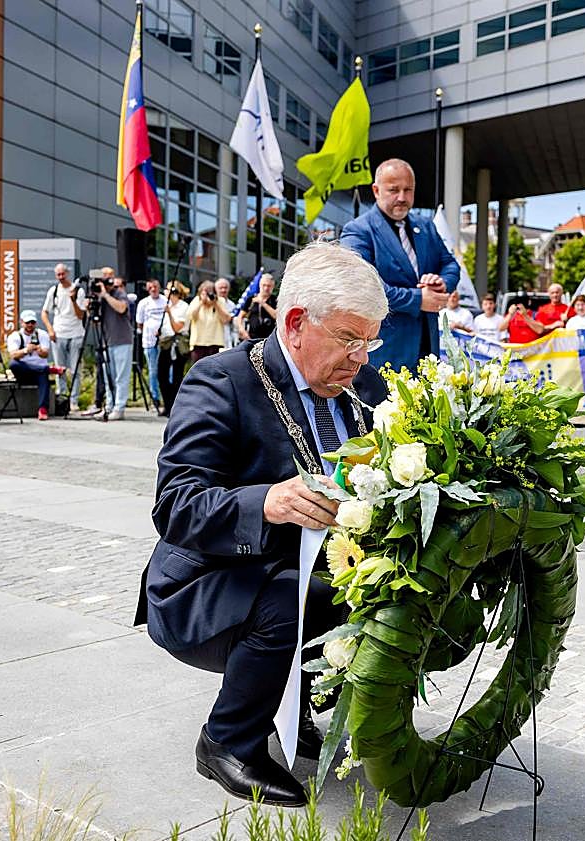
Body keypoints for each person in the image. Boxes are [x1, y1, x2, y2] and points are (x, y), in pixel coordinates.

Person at [137, 243, 388, 807]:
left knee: (382, 591)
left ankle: (294, 703)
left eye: (369, 342)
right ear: (296, 323)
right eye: (350, 340)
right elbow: (176, 505)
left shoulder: (363, 389)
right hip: (206, 583)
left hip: (315, 569)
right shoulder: (222, 380)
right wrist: (267, 503)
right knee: (283, 596)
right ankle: (228, 741)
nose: (362, 359)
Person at [339, 158, 459, 372]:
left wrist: (440, 283)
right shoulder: (358, 230)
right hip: (383, 352)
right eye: (394, 190)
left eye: (408, 190)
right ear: (376, 190)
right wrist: (419, 299)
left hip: (428, 350)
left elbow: (450, 264)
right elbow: (362, 286)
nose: (402, 197)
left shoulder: (426, 227)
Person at [41, 263, 88, 413]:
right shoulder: (53, 291)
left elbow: (80, 315)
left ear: (67, 274)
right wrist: (50, 330)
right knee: (59, 369)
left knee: (75, 370)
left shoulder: (78, 291)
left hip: (76, 333)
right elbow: (44, 312)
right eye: (58, 275)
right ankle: (61, 398)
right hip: (59, 333)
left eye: (63, 274)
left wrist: (73, 300)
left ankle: (73, 400)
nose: (61, 277)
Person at [97, 276, 132, 421]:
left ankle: (119, 408)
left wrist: (105, 295)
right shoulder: (99, 296)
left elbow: (122, 308)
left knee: (120, 377)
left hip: (122, 340)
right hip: (107, 341)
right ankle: (109, 406)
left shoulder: (119, 293)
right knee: (108, 377)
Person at [7, 309, 52, 421]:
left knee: (43, 375)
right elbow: (13, 355)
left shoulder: (42, 334)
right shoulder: (15, 336)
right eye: (27, 323)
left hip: (39, 373)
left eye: (32, 322)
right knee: (14, 364)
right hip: (24, 371)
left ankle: (42, 409)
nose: (30, 325)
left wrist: (37, 349)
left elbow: (45, 354)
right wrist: (26, 350)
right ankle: (49, 369)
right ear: (22, 323)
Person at [156, 283, 190, 416]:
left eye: (168, 289)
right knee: (161, 374)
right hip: (166, 342)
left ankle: (175, 406)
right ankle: (167, 404)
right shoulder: (167, 305)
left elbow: (177, 327)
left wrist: (169, 314)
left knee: (177, 376)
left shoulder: (183, 306)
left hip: (178, 343)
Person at [135, 279, 167, 411]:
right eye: (150, 288)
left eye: (155, 287)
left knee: (165, 371)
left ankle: (167, 398)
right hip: (149, 342)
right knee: (153, 371)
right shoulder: (144, 303)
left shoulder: (165, 300)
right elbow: (140, 323)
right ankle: (155, 399)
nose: (153, 290)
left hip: (164, 341)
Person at [186, 279, 230, 362]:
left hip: (215, 343)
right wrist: (201, 302)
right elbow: (191, 316)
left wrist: (215, 304)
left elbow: (226, 319)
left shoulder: (220, 301)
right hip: (198, 343)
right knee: (198, 371)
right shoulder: (196, 301)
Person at [237, 273, 277, 341]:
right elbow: (240, 316)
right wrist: (241, 329)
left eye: (269, 286)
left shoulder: (275, 300)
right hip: (251, 337)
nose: (266, 288)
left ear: (273, 286)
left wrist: (263, 303)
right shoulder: (251, 299)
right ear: (259, 285)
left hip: (269, 338)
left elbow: (276, 316)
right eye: (264, 285)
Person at [214, 278, 239, 349]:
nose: (223, 290)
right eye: (220, 288)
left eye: (225, 288)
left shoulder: (232, 305)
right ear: (215, 289)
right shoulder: (210, 303)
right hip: (213, 339)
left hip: (228, 337)